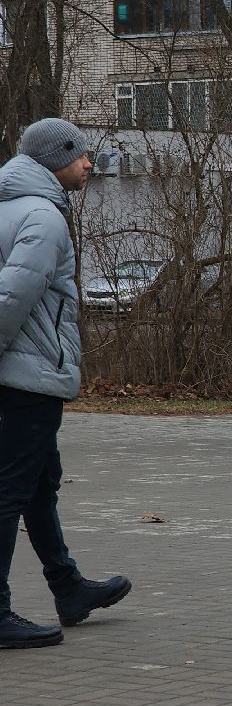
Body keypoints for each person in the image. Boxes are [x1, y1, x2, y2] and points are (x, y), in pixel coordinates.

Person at [1, 119, 131, 650]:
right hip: (26, 379)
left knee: (38, 483)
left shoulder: (11, 206)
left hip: (21, 374)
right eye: (80, 155)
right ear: (56, 159)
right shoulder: (43, 216)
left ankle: (68, 587)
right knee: (11, 491)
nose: (88, 164)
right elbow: (12, 299)